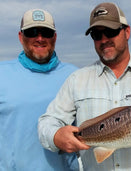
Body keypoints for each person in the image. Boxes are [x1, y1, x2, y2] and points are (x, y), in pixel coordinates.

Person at [38, 3, 131, 171]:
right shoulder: (77, 79)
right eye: (96, 34)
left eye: (111, 31)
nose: (104, 39)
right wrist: (56, 136)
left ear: (127, 32)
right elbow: (48, 121)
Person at [0, 9, 79, 171]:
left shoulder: (75, 76)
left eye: (46, 32)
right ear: (21, 37)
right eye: (32, 32)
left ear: (55, 37)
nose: (40, 38)